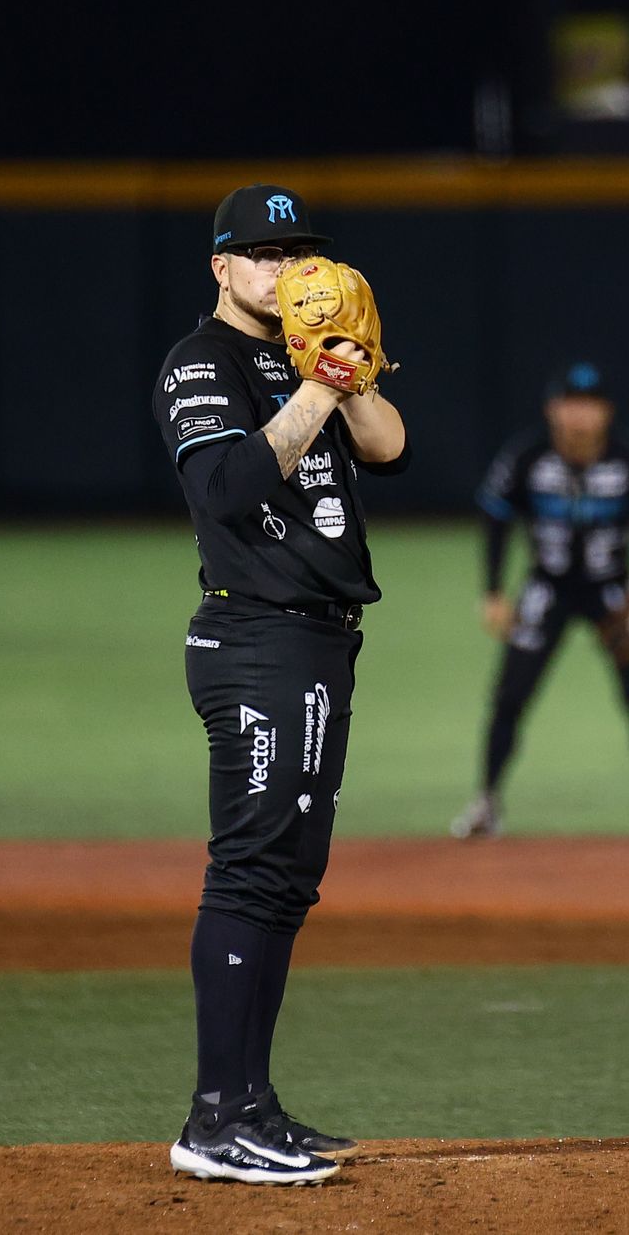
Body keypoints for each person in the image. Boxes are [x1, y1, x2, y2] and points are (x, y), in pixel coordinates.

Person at [150, 184, 409, 1185]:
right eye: (262, 251)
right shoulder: (198, 364)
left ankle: (253, 1103)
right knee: (250, 871)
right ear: (221, 267)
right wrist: (314, 388)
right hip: (255, 639)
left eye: (296, 247)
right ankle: (214, 1119)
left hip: (319, 640)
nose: (287, 266)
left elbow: (390, 450)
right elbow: (225, 488)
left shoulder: (313, 353)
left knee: (289, 880)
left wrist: (350, 373)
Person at [452, 363, 629, 839]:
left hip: (612, 591)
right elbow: (496, 516)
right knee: (510, 695)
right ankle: (486, 804)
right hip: (547, 587)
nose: (580, 416)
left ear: (606, 411)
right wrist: (493, 590)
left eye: (590, 405)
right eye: (570, 404)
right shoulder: (528, 455)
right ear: (553, 409)